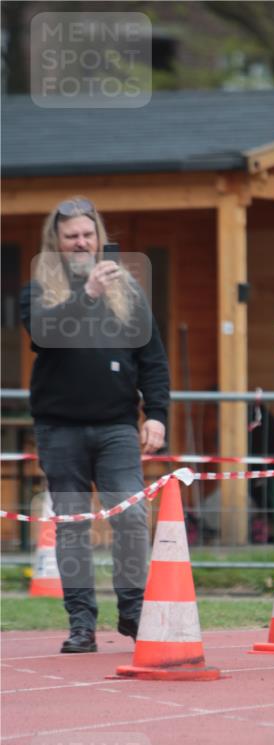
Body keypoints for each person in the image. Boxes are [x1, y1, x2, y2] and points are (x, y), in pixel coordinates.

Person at [20, 196, 170, 653]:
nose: (82, 243)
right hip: (59, 426)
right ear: (57, 243)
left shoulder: (129, 290)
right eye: (72, 237)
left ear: (99, 238)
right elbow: (45, 337)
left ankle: (133, 610)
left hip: (117, 426)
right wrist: (86, 296)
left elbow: (153, 360)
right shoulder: (38, 290)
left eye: (88, 234)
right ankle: (82, 623)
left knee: (131, 515)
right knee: (71, 525)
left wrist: (158, 415)